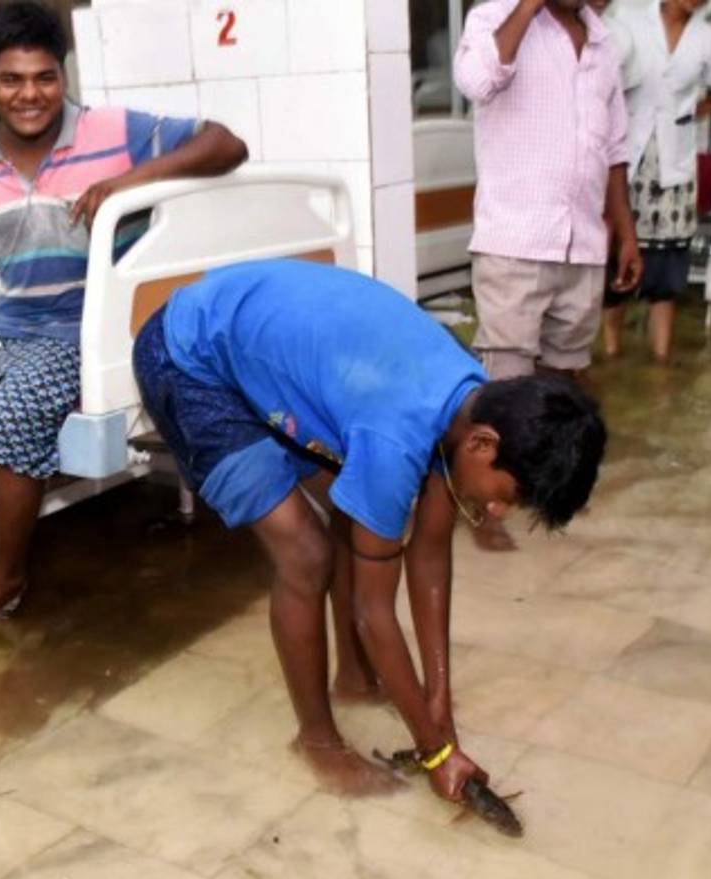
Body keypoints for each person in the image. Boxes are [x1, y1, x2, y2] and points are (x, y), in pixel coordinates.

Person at [133, 259, 607, 799]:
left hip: (264, 348)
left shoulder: (471, 398)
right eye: (506, 497)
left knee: (352, 518)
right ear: (483, 445)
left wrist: (439, 703)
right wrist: (437, 751)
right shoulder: (398, 435)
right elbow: (373, 609)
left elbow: (429, 556)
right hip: (187, 359)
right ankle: (316, 740)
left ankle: (355, 678)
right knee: (306, 556)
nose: (497, 514)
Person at [0, 1, 248, 653]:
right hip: (6, 321)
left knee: (9, 419)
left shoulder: (112, 130)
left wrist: (129, 182)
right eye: (11, 80)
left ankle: (6, 576)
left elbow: (225, 143)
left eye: (44, 77)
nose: (29, 95)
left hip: (89, 327)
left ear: (62, 76)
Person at [454, 0, 640, 551]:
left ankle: (547, 482)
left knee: (564, 379)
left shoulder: (605, 44)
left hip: (582, 241)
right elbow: (477, 80)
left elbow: (614, 148)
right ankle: (484, 503)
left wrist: (624, 231)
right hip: (515, 239)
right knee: (504, 382)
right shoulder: (495, 18)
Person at [602, 0, 711, 362]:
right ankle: (611, 351)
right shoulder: (628, 19)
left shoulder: (707, 37)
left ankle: (661, 361)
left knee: (669, 265)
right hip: (629, 157)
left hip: (675, 162)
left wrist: (695, 111)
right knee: (618, 260)